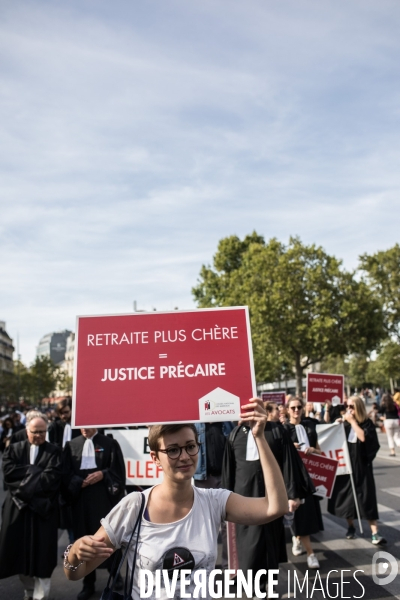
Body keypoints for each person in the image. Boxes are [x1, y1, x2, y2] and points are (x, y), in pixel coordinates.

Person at [63, 399, 288, 599]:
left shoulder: (214, 501)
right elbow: (75, 573)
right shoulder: (134, 506)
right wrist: (74, 554)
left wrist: (259, 437)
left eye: (190, 447)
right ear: (155, 458)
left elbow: (274, 507)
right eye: (172, 450)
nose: (184, 457)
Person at [222, 401, 315, 588]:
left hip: (271, 498)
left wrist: (292, 494)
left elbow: (289, 463)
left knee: (268, 544)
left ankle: (266, 586)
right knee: (247, 545)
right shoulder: (235, 434)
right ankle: (253, 584)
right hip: (243, 500)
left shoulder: (276, 431)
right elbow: (228, 471)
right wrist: (223, 500)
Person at [0, 413, 63, 600]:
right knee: (19, 553)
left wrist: (27, 478)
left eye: (43, 432)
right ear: (27, 430)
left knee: (42, 556)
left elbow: (51, 479)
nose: (39, 436)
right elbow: (9, 474)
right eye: (35, 432)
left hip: (43, 510)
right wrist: (35, 472)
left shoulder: (55, 451)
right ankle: (28, 591)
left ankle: (40, 596)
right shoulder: (14, 449)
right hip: (18, 510)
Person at [63, 427, 126, 600]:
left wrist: (103, 474)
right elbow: (64, 473)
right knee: (83, 538)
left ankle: (116, 575)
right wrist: (77, 482)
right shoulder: (71, 445)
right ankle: (88, 583)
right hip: (80, 501)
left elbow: (118, 472)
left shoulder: (109, 443)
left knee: (108, 538)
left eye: (88, 425)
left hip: (103, 499)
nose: (84, 429)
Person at [328, 395, 385, 545]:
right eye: (347, 406)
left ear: (358, 407)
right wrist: (336, 425)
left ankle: (375, 532)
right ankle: (351, 526)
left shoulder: (366, 424)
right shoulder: (345, 425)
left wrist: (352, 422)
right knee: (348, 500)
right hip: (347, 468)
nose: (348, 409)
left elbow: (364, 438)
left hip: (362, 468)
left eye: (351, 406)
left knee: (367, 499)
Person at [283, 396, 323, 569]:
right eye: (293, 408)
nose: (296, 410)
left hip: (311, 476)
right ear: (287, 410)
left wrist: (314, 450)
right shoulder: (283, 429)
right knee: (299, 515)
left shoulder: (310, 426)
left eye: (299, 407)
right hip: (293, 478)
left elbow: (321, 451)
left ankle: (297, 538)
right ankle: (310, 553)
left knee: (306, 515)